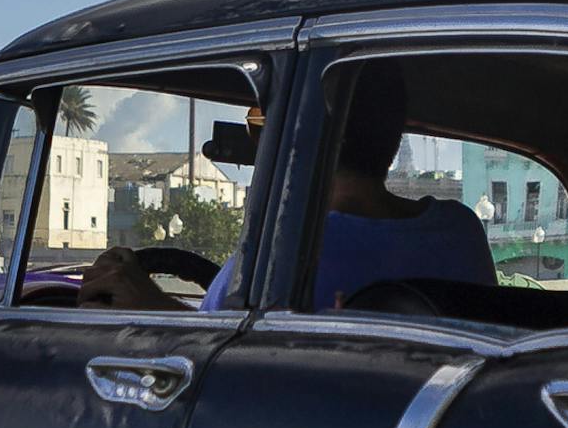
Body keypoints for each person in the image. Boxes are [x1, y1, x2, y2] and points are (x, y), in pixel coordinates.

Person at [79, 62, 495, 310]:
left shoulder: (289, 247)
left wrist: (146, 301)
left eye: (262, 127)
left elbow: (206, 355)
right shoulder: (459, 231)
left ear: (300, 138)